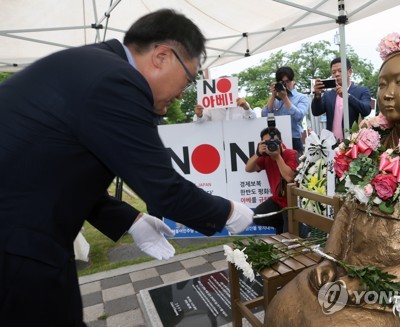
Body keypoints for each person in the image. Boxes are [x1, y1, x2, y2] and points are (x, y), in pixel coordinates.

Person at [0, 9, 254, 326]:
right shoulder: (116, 80)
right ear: (162, 56)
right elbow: (164, 190)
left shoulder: (90, 67)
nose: (181, 93)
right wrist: (228, 213)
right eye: (188, 80)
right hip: (17, 251)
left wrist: (131, 219)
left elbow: (53, 174)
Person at [265, 32, 400, 326]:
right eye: (382, 84)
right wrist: (331, 259)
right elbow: (350, 210)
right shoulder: (370, 145)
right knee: (284, 305)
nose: (387, 92)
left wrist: (373, 285)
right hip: (350, 271)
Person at [245, 127, 299, 234]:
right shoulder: (266, 157)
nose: (270, 145)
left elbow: (289, 177)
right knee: (258, 216)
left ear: (281, 142)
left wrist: (277, 156)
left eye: (273, 142)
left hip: (291, 203)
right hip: (277, 200)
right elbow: (248, 168)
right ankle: (281, 224)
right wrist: (258, 154)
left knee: (289, 238)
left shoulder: (291, 154)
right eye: (267, 142)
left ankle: (292, 227)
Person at [311, 57, 372, 142]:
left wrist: (347, 96)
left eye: (340, 71)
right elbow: (316, 112)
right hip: (331, 144)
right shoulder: (328, 94)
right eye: (333, 72)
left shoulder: (362, 90)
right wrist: (317, 95)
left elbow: (366, 110)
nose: (336, 74)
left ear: (349, 72)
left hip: (354, 143)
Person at [262, 66, 309, 153]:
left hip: (294, 138)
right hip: (277, 140)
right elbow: (264, 115)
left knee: (296, 165)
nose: (285, 85)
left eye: (288, 81)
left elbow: (299, 116)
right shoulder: (275, 99)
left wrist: (285, 98)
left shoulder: (301, 97)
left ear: (293, 81)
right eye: (282, 82)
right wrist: (273, 95)